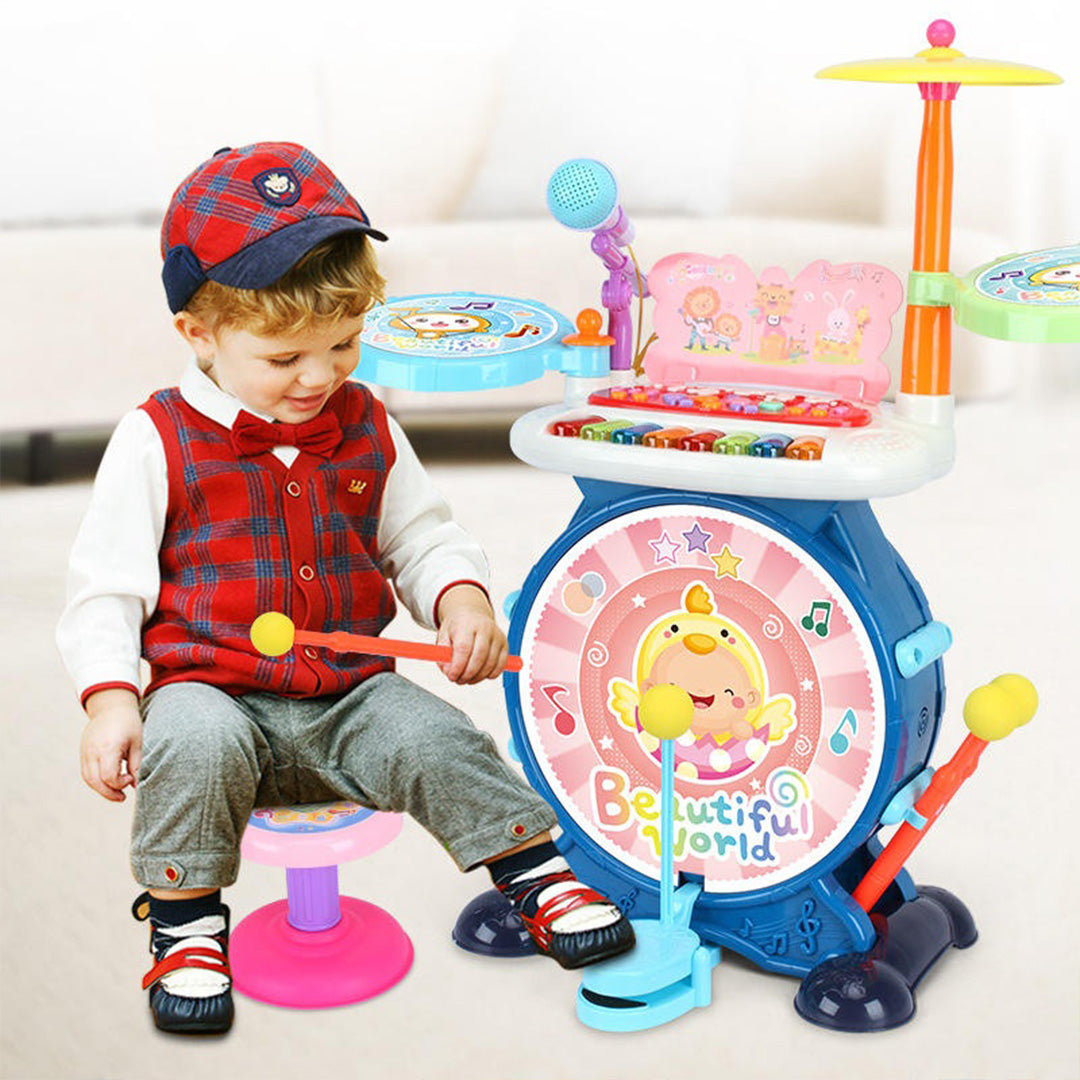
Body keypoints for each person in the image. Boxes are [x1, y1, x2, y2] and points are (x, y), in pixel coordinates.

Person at [57, 142, 634, 1036]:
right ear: (199, 335)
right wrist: (107, 698)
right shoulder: (152, 437)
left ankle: (532, 874)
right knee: (192, 744)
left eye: (345, 344)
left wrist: (460, 600)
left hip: (351, 693)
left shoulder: (363, 421)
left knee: (439, 738)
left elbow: (419, 533)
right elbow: (107, 585)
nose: (321, 377)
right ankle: (186, 925)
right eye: (286, 357)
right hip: (211, 690)